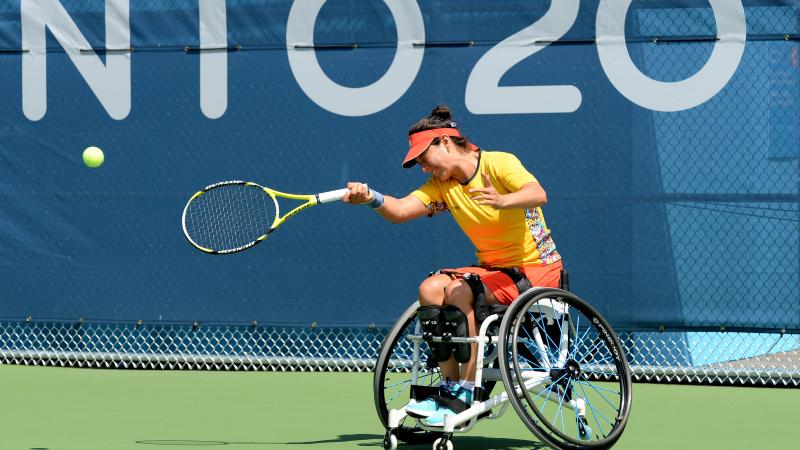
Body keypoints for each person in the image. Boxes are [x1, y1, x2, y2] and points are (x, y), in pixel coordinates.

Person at [344, 104, 562, 427]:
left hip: (535, 268)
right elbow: (401, 210)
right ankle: (448, 387)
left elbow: (538, 193)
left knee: (461, 291)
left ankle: (467, 389)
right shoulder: (443, 187)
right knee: (430, 290)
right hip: (492, 272)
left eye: (423, 158)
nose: (423, 168)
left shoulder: (498, 164)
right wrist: (371, 197)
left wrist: (503, 200)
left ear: (445, 142)